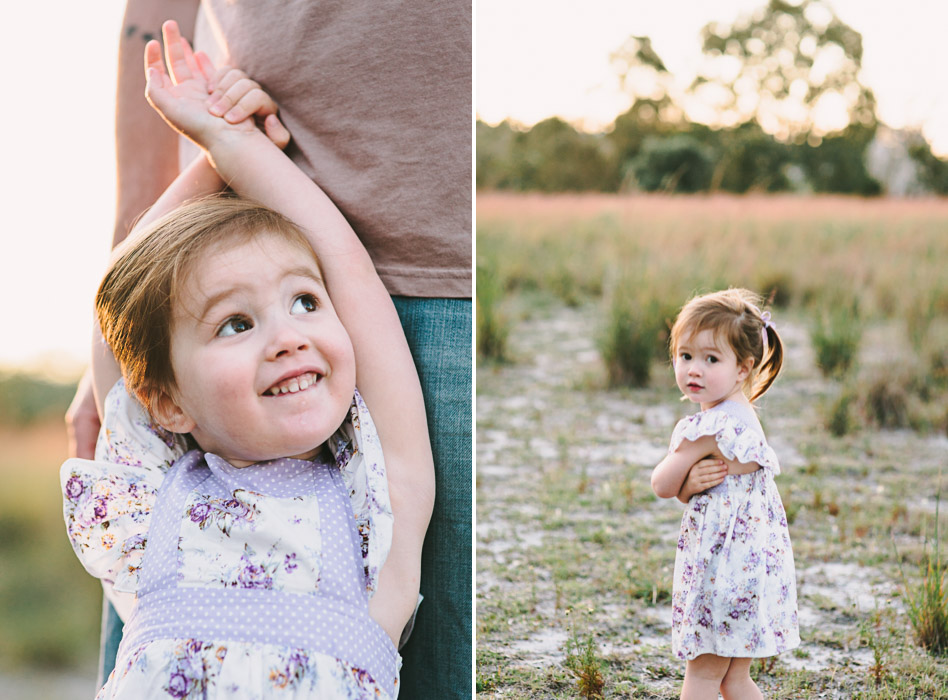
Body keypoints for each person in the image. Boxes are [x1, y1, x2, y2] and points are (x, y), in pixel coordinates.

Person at [64, 2, 472, 696]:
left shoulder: (380, 507)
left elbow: (347, 264)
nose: (287, 337)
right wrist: (219, 149)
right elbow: (119, 312)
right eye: (235, 325)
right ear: (164, 399)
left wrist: (243, 152)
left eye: (307, 303)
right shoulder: (155, 499)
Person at [649, 288, 799, 700]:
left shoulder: (708, 430)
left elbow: (661, 483)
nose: (694, 369)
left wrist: (682, 483)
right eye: (685, 356)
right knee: (734, 680)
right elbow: (716, 487)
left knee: (700, 678)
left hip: (721, 574)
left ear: (742, 368)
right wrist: (691, 487)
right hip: (753, 572)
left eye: (711, 359)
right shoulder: (744, 418)